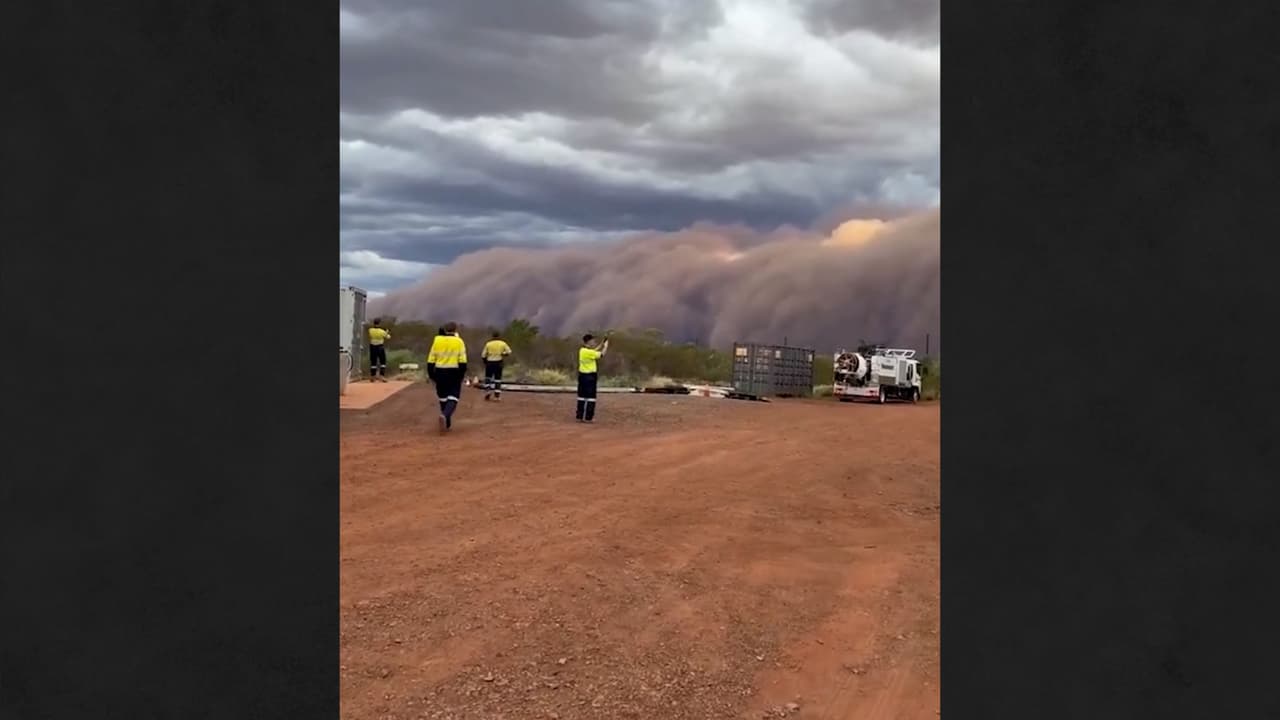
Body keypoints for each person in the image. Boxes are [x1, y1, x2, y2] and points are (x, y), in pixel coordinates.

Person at [426, 322, 468, 433]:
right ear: (455, 330)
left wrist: (431, 375)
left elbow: (431, 359)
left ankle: (447, 423)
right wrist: (461, 375)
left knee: (443, 398)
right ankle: (445, 415)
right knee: (453, 397)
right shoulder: (459, 342)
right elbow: (463, 361)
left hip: (439, 371)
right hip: (454, 372)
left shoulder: (437, 340)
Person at [575, 333, 609, 423]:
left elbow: (594, 351)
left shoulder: (582, 350)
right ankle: (588, 418)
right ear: (588, 342)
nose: (594, 342)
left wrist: (601, 344)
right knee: (591, 397)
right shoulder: (589, 352)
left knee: (581, 396)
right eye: (593, 341)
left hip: (582, 376)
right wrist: (606, 346)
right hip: (590, 377)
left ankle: (580, 416)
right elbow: (601, 354)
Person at [480, 330, 513, 401]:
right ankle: (497, 396)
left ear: (492, 336)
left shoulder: (488, 344)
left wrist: (485, 362)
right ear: (499, 336)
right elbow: (509, 352)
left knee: (488, 378)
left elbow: (483, 355)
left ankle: (488, 391)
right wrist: (503, 354)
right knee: (498, 379)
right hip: (498, 362)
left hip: (490, 362)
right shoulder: (503, 343)